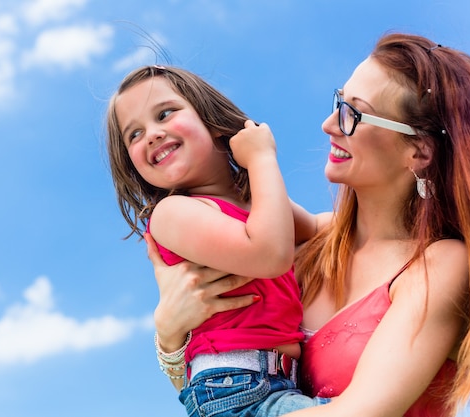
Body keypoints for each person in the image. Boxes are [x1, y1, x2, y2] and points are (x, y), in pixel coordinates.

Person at [149, 32, 470, 417]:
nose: (329, 124)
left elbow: (364, 411)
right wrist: (170, 335)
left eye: (354, 115)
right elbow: (226, 392)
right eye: (339, 102)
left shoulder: (440, 265)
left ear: (419, 151)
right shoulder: (302, 249)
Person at [106, 65, 326, 417]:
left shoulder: (258, 206)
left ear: (211, 118)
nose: (151, 134)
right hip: (234, 388)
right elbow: (270, 254)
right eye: (134, 134)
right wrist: (261, 158)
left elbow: (318, 227)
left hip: (281, 384)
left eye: (164, 114)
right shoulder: (173, 213)